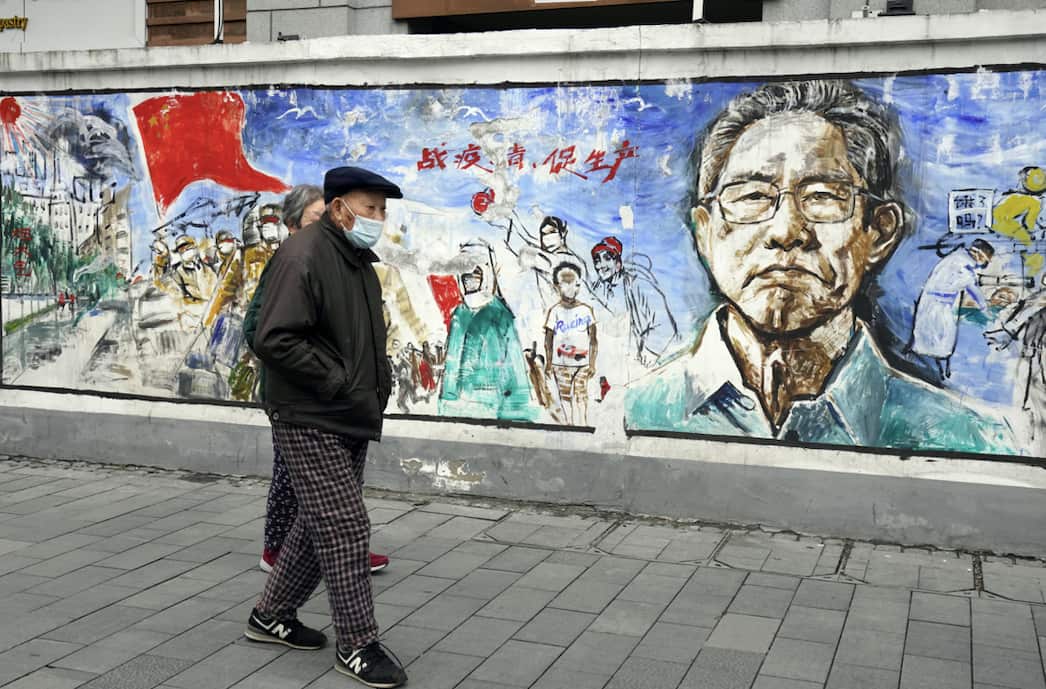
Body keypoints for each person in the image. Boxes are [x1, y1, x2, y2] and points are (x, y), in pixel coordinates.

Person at [626, 80, 1013, 455]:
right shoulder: (631, 413)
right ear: (705, 233)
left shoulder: (967, 437)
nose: (786, 231)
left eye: (823, 196)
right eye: (753, 195)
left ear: (878, 233)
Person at [245, 167, 407, 688]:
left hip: (347, 412)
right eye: (371, 208)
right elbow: (274, 337)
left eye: (383, 210)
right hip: (310, 412)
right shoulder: (304, 255)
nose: (379, 219)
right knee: (345, 524)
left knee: (318, 523)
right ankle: (357, 644)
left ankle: (271, 615)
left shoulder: (354, 259)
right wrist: (337, 382)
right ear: (340, 209)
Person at [243, 184, 390, 576]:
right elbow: (261, 330)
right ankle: (279, 550)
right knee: (292, 479)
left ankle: (309, 569)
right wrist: (328, 374)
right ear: (294, 224)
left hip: (332, 398)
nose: (327, 221)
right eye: (316, 215)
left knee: (326, 493)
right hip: (299, 397)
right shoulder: (292, 261)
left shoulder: (342, 260)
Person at [439, 239, 536, 421]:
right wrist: (447, 400)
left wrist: (518, 406)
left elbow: (514, 362)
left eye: (475, 277)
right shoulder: (459, 314)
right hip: (460, 403)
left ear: (486, 275)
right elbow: (451, 362)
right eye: (465, 278)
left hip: (493, 402)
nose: (469, 283)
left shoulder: (500, 314)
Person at [910, 239, 994, 379]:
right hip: (935, 304)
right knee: (936, 338)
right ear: (979, 255)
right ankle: (932, 370)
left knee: (937, 338)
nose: (983, 264)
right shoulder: (961, 264)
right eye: (985, 260)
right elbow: (972, 288)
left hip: (940, 302)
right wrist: (984, 308)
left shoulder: (959, 258)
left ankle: (938, 368)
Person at [591, 236, 679, 366]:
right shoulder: (596, 290)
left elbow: (664, 322)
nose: (600, 265)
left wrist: (651, 351)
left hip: (637, 363)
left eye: (607, 258)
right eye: (597, 260)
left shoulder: (637, 284)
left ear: (618, 264)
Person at [544, 262, 598, 426]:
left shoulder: (586, 310)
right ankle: (569, 425)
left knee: (581, 394)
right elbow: (548, 340)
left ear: (579, 285)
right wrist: (548, 363)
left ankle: (582, 424)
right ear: (556, 286)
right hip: (560, 364)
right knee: (565, 395)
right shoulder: (554, 311)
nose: (569, 287)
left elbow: (593, 339)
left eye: (573, 283)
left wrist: (592, 363)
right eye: (564, 283)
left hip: (582, 363)